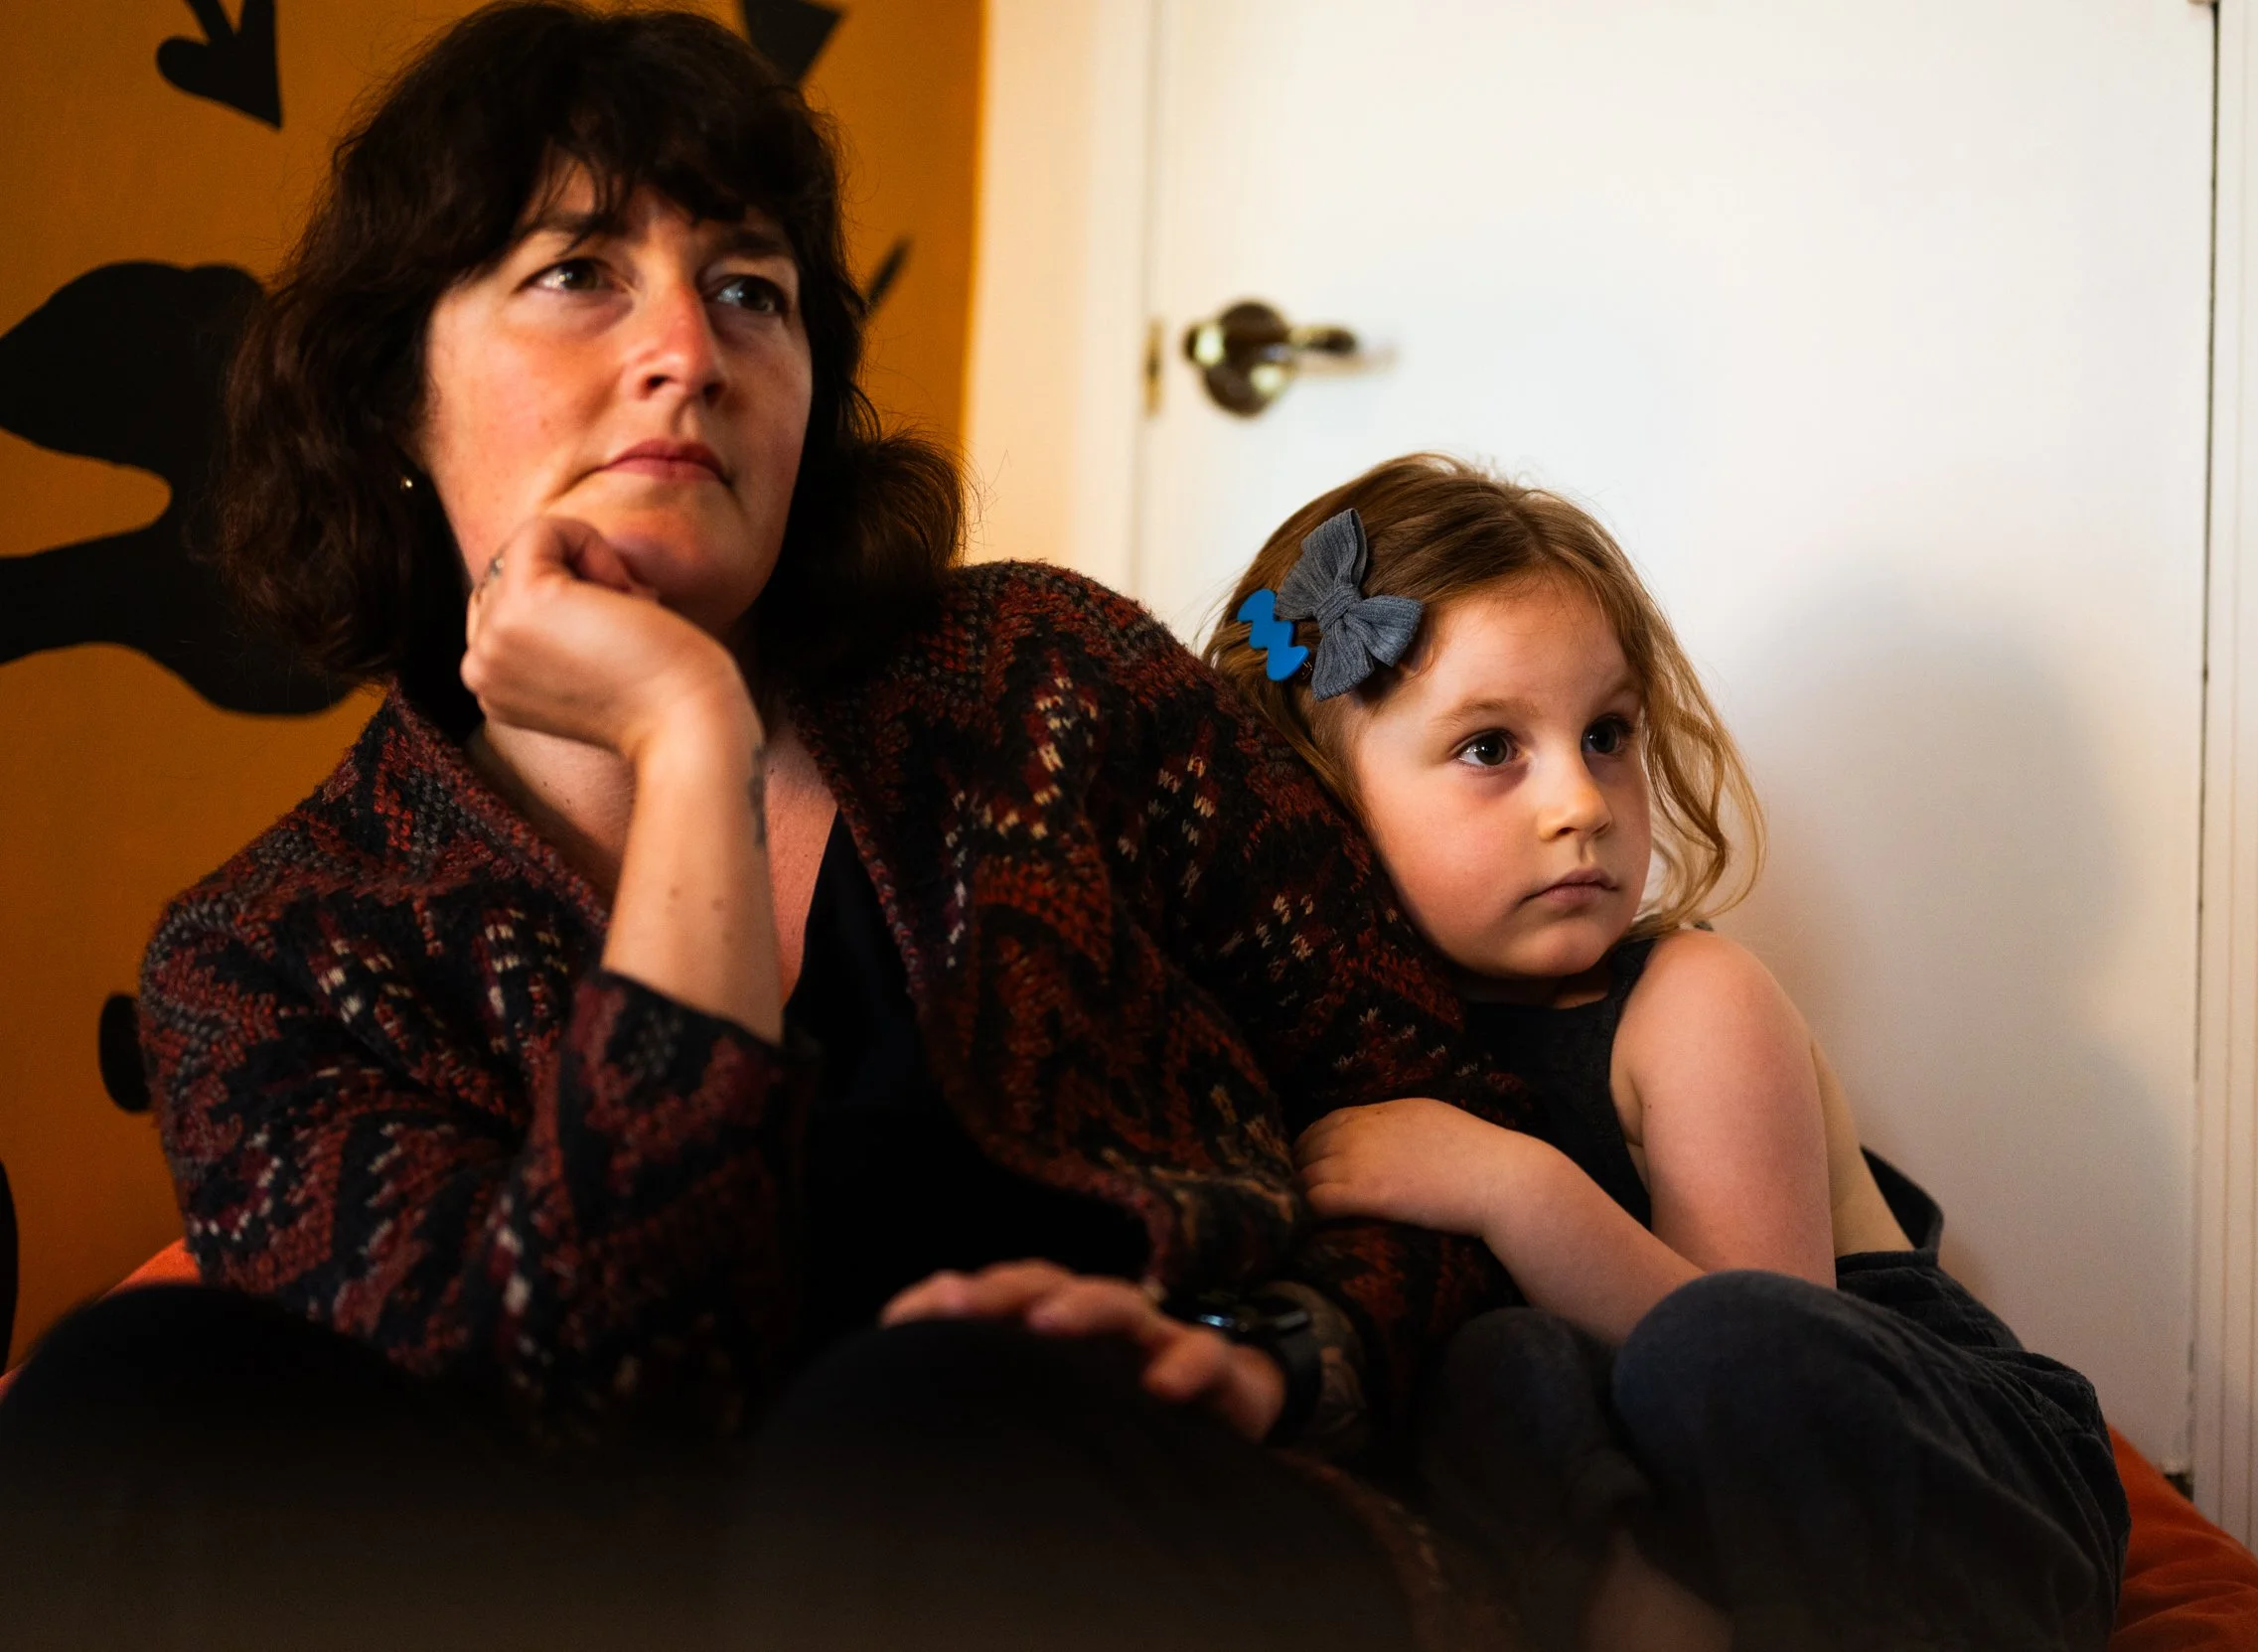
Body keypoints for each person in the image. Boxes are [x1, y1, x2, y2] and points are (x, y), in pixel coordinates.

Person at [0, 14, 1536, 1651]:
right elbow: (590, 1420)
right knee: (120, 1393)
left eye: (750, 288)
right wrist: (689, 743)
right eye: (578, 272)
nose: (690, 348)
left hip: (1118, 1527)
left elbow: (1439, 1092)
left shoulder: (1043, 680)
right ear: (394, 400)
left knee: (910, 1424)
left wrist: (1280, 1350)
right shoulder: (267, 953)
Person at [1205, 455, 2133, 1651]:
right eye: (1490, 747)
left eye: (1606, 734)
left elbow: (1755, 1358)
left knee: (1715, 1344)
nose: (1582, 803)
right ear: (1317, 794)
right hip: (1708, 1531)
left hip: (1959, 1487)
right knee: (1497, 1368)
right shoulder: (1352, 1042)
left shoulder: (1693, 1000)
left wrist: (1509, 1188)